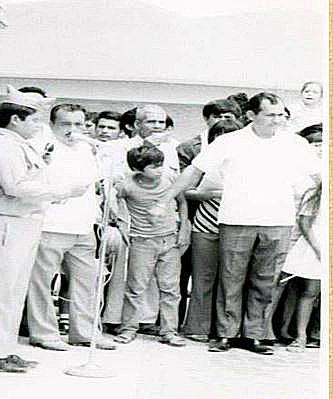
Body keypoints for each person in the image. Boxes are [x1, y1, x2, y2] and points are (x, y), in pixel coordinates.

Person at [155, 92, 320, 355]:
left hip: (278, 221)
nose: (277, 120)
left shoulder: (295, 144)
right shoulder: (229, 142)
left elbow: (321, 176)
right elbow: (194, 171)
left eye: (280, 115)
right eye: (270, 115)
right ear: (251, 116)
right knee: (231, 279)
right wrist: (165, 198)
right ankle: (225, 334)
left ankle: (254, 335)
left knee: (265, 281)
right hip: (236, 220)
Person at [0, 98, 88, 373]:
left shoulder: (17, 145)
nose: (39, 125)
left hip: (20, 222)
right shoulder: (2, 146)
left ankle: (4, 348)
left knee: (12, 291)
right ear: (15, 120)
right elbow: (15, 186)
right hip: (2, 223)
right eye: (34, 119)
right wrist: (63, 191)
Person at [27, 104, 117, 351]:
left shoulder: (89, 149)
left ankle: (85, 333)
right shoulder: (43, 147)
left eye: (78, 124)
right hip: (51, 223)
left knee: (87, 282)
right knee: (42, 282)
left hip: (84, 225)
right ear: (53, 124)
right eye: (66, 124)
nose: (73, 130)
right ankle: (44, 334)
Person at [113, 144, 188, 346]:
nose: (159, 170)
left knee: (171, 289)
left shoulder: (170, 179)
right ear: (138, 169)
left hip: (169, 240)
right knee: (136, 288)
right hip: (141, 241)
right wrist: (121, 224)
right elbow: (113, 201)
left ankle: (169, 331)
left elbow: (182, 202)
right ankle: (128, 328)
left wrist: (184, 230)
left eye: (160, 165)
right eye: (153, 167)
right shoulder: (127, 185)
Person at [182, 120, 242, 341]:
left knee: (231, 280)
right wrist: (208, 194)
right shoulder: (206, 162)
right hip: (206, 224)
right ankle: (197, 327)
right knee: (203, 277)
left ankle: (224, 329)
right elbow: (186, 190)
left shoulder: (251, 163)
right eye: (220, 135)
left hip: (238, 227)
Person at [281, 181, 322, 351]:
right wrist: (318, 248)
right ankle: (301, 337)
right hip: (316, 243)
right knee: (310, 291)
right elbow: (304, 222)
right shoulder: (317, 194)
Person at [177, 98, 242, 172]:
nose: (222, 120)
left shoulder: (246, 144)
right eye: (217, 117)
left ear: (237, 120)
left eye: (227, 117)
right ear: (206, 119)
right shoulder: (188, 148)